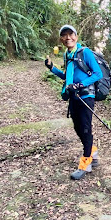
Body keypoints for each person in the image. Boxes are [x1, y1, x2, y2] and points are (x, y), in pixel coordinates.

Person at [45, 25, 102, 180]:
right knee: (78, 128)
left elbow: (98, 73)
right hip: (73, 97)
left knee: (85, 129)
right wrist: (52, 68)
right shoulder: (67, 55)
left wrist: (79, 85)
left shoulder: (85, 53)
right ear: (61, 39)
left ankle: (85, 165)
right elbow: (67, 77)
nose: (67, 37)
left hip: (86, 97)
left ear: (76, 36)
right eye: (64, 35)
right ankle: (92, 152)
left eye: (70, 34)